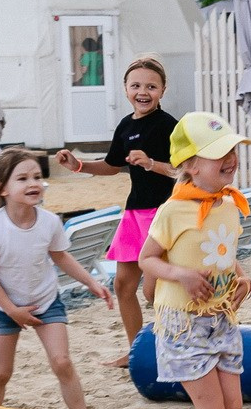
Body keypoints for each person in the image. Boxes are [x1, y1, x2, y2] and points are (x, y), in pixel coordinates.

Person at [138, 111, 251, 409]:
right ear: (189, 164)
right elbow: (147, 260)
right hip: (183, 324)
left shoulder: (227, 203)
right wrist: (182, 276)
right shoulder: (173, 210)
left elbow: (223, 254)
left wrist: (241, 276)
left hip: (221, 318)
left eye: (232, 151)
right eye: (217, 153)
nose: (229, 159)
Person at [53, 56, 175, 367]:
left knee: (156, 290)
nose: (143, 92)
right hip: (135, 213)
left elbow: (184, 170)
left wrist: (151, 163)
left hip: (163, 214)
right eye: (136, 85)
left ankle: (172, 347)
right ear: (125, 89)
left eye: (151, 86)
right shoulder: (125, 125)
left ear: (163, 90)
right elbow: (111, 166)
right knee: (123, 285)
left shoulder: (169, 126)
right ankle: (137, 353)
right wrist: (77, 165)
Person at [0, 147, 107, 409]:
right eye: (22, 179)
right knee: (1, 372)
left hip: (46, 302)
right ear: (2, 188)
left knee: (62, 362)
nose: (33, 183)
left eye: (36, 177)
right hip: (5, 307)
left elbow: (60, 256)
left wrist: (91, 282)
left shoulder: (49, 221)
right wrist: (12, 310)